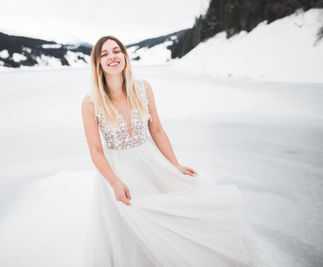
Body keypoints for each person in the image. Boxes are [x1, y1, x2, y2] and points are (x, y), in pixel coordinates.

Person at [81, 36, 261, 266]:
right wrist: (115, 182)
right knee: (133, 226)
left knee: (169, 217)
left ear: (125, 56)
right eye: (104, 54)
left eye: (116, 51)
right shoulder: (90, 102)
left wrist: (174, 165)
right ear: (97, 63)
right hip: (118, 169)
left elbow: (156, 129)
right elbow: (96, 151)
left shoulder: (142, 88)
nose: (112, 57)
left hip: (150, 160)